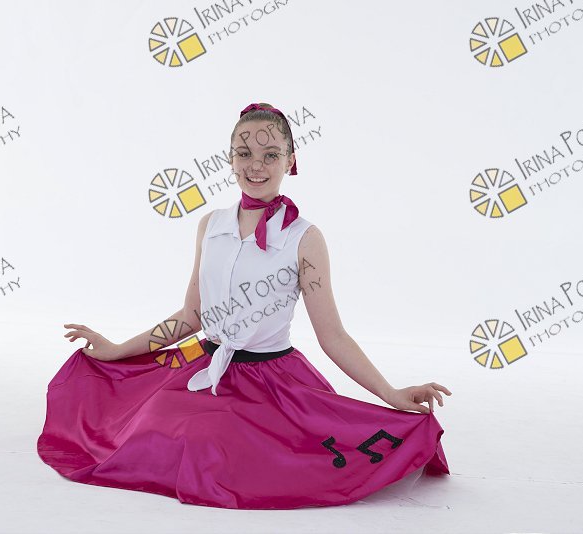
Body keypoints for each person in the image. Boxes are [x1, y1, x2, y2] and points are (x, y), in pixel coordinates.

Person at [37, 102, 452, 510]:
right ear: (230, 158)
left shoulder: (304, 239)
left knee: (216, 446)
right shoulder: (210, 226)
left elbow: (333, 336)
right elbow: (191, 317)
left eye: (271, 155)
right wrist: (116, 349)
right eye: (245, 153)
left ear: (291, 160)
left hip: (272, 382)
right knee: (152, 425)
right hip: (204, 364)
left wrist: (390, 392)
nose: (256, 165)